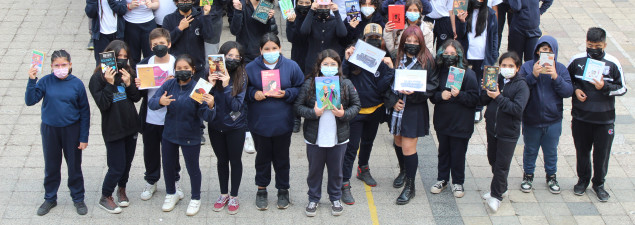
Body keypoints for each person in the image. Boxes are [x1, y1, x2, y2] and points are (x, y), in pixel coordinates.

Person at [295, 49, 361, 217]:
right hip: (314, 138)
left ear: (338, 66)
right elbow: (298, 106)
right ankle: (313, 198)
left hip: (338, 138)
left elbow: (356, 105)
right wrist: (313, 113)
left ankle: (335, 198)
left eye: (333, 64)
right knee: (314, 171)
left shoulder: (345, 83)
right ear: (319, 65)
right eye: (326, 64)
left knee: (336, 171)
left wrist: (343, 114)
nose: (329, 67)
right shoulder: (310, 83)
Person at [149, 54, 217, 216]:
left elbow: (206, 116)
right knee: (168, 165)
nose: (182, 71)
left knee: (193, 168)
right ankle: (171, 194)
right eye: (179, 68)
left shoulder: (199, 88)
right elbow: (152, 103)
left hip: (190, 135)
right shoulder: (170, 84)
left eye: (186, 68)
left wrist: (211, 105)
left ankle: (195, 198)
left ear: (193, 70)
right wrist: (160, 102)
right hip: (169, 134)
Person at [26, 50, 90, 216]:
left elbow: (85, 112)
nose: (60, 68)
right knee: (51, 166)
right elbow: (30, 100)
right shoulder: (46, 81)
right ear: (51, 66)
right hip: (50, 130)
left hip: (72, 130)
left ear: (70, 65)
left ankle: (78, 198)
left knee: (74, 166)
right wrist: (32, 80)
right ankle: (50, 198)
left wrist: (84, 137)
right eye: (57, 65)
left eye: (64, 65)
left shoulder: (77, 84)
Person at [245, 33, 304, 210]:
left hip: (283, 123)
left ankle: (283, 189)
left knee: (282, 158)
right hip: (260, 123)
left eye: (274, 48)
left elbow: (300, 87)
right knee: (262, 158)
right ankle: (261, 189)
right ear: (260, 51)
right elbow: (242, 89)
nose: (271, 52)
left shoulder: (291, 66)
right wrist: (252, 94)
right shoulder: (250, 68)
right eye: (267, 49)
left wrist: (287, 94)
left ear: (280, 49)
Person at [568, 27, 627, 202]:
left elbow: (622, 88)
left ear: (604, 45)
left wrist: (605, 88)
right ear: (585, 43)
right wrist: (576, 90)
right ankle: (582, 181)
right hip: (581, 118)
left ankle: (599, 184)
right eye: (590, 44)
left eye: (597, 45)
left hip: (604, 120)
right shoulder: (576, 60)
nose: (593, 48)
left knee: (602, 154)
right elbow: (566, 81)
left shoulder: (613, 63)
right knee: (582, 151)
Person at [339, 24, 394, 205]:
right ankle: (344, 183)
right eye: (370, 36)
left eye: (377, 37)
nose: (374, 40)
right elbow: (342, 77)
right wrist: (346, 60)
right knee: (351, 148)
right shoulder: (353, 56)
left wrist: (390, 69)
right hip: (356, 112)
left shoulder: (384, 60)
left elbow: (382, 87)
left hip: (375, 110)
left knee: (368, 142)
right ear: (363, 38)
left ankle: (363, 169)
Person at [385, 26, 438, 205]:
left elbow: (432, 85)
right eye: (408, 41)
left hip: (414, 109)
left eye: (415, 41)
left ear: (421, 42)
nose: (412, 44)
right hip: (397, 109)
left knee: (408, 147)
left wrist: (414, 93)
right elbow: (384, 82)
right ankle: (403, 171)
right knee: (398, 142)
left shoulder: (427, 60)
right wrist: (392, 100)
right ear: (403, 41)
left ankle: (410, 186)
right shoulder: (395, 57)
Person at [88, 40, 141, 214]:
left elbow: (135, 98)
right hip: (113, 129)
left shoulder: (127, 72)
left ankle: (122, 189)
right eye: (118, 56)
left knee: (127, 163)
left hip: (131, 126)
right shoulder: (97, 79)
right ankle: (105, 195)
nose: (122, 60)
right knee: (116, 165)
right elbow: (103, 104)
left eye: (125, 56)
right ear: (109, 55)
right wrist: (110, 84)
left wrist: (129, 83)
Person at [518, 35, 573, 194]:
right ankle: (528, 175)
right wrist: (533, 76)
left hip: (553, 120)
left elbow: (568, 91)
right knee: (530, 150)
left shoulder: (561, 69)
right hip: (531, 119)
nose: (545, 53)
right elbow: (520, 87)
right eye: (543, 49)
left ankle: (551, 176)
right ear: (537, 50)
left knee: (551, 151)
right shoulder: (528, 67)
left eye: (549, 50)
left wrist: (555, 77)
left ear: (554, 52)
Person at [135, 28, 182, 201]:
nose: (159, 47)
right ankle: (151, 181)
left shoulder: (178, 64)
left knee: (172, 152)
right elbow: (137, 96)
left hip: (172, 117)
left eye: (162, 43)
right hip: (151, 118)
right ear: (150, 46)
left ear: (169, 44)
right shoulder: (144, 64)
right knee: (150, 152)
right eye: (155, 44)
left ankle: (175, 181)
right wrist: (137, 85)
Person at [429, 40, 479, 198]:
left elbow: (474, 99)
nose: (449, 56)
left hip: (461, 123)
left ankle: (458, 182)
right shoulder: (439, 72)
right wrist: (440, 95)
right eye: (446, 53)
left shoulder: (469, 74)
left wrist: (460, 95)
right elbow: (432, 96)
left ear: (459, 55)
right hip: (443, 122)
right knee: (443, 152)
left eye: (452, 53)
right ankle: (442, 179)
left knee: (458, 153)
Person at [480, 52, 529, 212]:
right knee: (492, 159)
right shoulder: (497, 78)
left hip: (508, 131)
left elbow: (517, 109)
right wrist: (485, 89)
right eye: (504, 65)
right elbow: (484, 100)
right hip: (492, 127)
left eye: (510, 66)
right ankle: (502, 187)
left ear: (517, 68)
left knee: (502, 165)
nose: (506, 69)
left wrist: (498, 96)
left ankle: (497, 196)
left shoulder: (521, 86)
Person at [208, 41, 249, 215]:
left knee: (235, 160)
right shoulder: (210, 72)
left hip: (235, 126)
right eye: (229, 55)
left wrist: (226, 87)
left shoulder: (242, 76)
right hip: (215, 125)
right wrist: (209, 85)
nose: (232, 59)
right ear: (221, 56)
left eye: (237, 57)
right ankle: (223, 193)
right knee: (221, 160)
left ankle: (234, 195)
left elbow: (236, 106)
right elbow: (197, 98)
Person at [454, 0, 498, 123]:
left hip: (483, 55)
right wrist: (462, 22)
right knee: (462, 79)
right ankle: (461, 104)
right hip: (466, 53)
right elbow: (458, 34)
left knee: (481, 83)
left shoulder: (490, 14)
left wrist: (494, 55)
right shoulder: (463, 11)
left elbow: (494, 36)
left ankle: (478, 108)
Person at [163, 0, 214, 81]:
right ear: (176, 2)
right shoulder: (169, 19)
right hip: (178, 69)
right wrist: (179, 29)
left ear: (192, 1)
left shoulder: (200, 16)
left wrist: (206, 16)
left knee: (198, 93)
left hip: (197, 68)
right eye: (182, 1)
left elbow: (209, 36)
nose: (185, 3)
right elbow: (166, 42)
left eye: (187, 1)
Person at [286, 0, 313, 132]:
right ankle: (296, 117)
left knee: (311, 87)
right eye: (301, 2)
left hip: (312, 54)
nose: (304, 5)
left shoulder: (315, 14)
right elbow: (291, 38)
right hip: (297, 55)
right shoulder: (292, 14)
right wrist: (291, 23)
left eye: (307, 2)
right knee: (296, 85)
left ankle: (310, 115)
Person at [300, 1, 347, 72]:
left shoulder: (335, 20)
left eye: (326, 6)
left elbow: (343, 33)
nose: (323, 9)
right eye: (320, 6)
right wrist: (311, 10)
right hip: (312, 63)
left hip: (331, 64)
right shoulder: (311, 20)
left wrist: (336, 12)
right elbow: (304, 31)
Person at [85, 0, 127, 65]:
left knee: (120, 62)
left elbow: (123, 10)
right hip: (101, 36)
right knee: (103, 65)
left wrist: (111, 1)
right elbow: (90, 13)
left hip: (117, 34)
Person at [123, 0, 159, 68]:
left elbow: (157, 4)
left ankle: (149, 77)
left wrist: (151, 5)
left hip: (148, 22)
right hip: (130, 22)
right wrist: (129, 6)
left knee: (150, 55)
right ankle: (134, 76)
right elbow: (119, 5)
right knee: (133, 56)